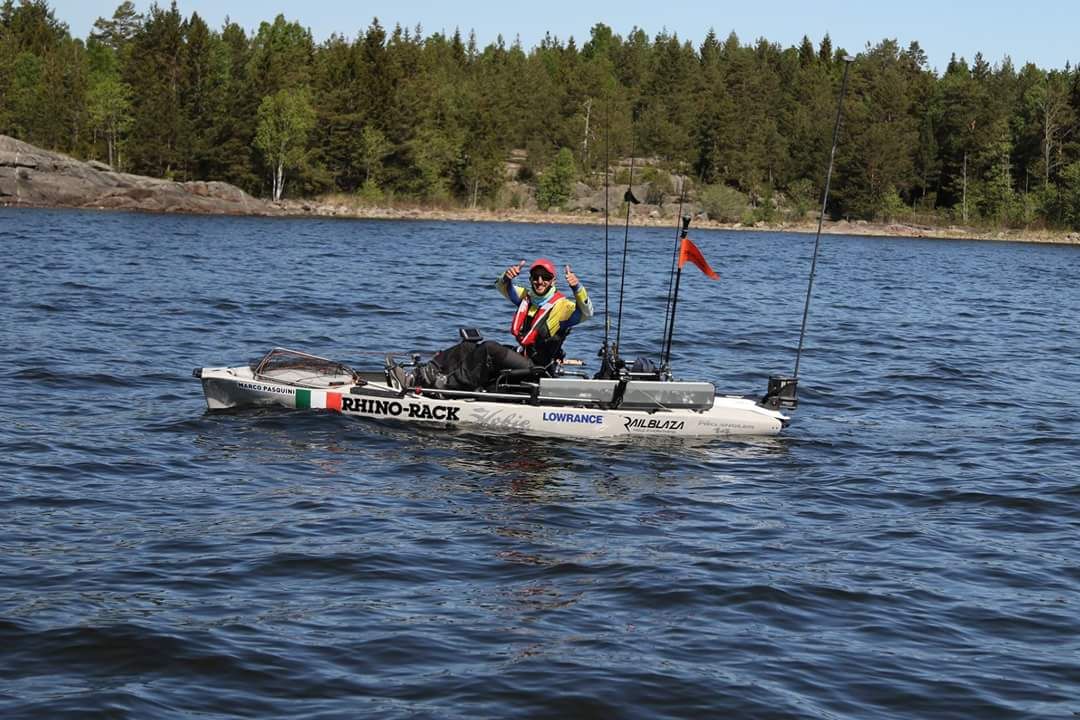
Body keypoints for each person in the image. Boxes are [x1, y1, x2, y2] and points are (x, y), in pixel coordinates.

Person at [396, 258, 593, 391]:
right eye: (536, 277)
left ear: (553, 280)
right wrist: (507, 277)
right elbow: (501, 286)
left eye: (545, 277)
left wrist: (577, 287)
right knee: (469, 346)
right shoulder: (528, 298)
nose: (540, 281)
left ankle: (448, 384)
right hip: (521, 358)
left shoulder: (563, 306)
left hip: (538, 369)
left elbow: (586, 312)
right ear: (531, 279)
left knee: (490, 348)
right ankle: (420, 375)